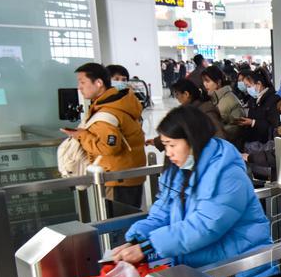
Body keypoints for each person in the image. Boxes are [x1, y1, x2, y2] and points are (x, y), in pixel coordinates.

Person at [114, 105, 270, 268]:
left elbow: (205, 226)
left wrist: (148, 246)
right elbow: (162, 214)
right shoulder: (178, 172)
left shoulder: (227, 174)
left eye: (172, 145)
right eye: (165, 145)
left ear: (193, 139)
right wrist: (136, 240)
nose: (168, 153)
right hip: (201, 269)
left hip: (238, 270)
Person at [64, 63, 146, 209]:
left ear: (99, 83)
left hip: (117, 179)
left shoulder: (108, 112)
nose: (79, 87)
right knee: (128, 220)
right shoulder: (119, 102)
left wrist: (82, 135)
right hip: (126, 174)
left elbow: (108, 148)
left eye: (82, 82)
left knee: (119, 226)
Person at [235, 69, 280, 147]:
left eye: (249, 86)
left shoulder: (274, 99)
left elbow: (273, 127)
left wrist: (253, 122)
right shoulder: (254, 99)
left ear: (259, 84)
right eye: (246, 86)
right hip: (253, 142)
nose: (248, 89)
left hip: (265, 145)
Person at [201, 65, 244, 143]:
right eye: (203, 81)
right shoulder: (211, 98)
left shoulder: (231, 99)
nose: (205, 84)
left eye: (208, 81)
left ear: (218, 82)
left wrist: (213, 134)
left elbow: (237, 128)